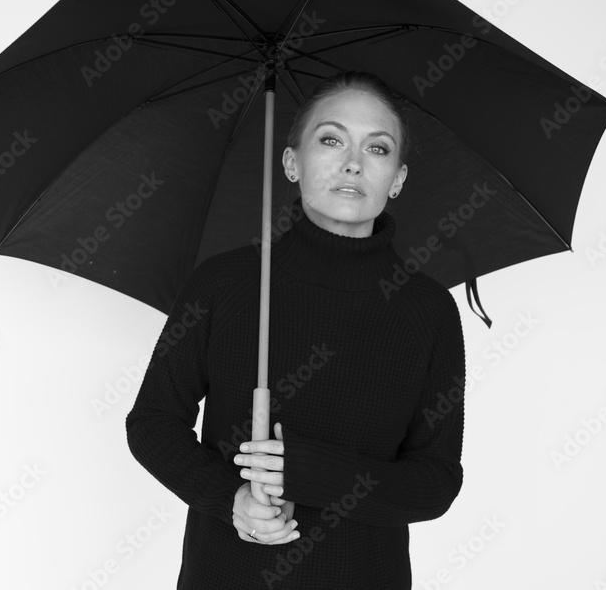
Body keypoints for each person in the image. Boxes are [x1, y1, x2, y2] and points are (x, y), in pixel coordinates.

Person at [125, 70, 466, 589]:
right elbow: (152, 422)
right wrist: (230, 499)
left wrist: (305, 470)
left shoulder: (428, 311)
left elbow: (435, 483)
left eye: (377, 149)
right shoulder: (226, 283)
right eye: (330, 139)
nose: (353, 161)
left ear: (397, 178)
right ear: (291, 162)